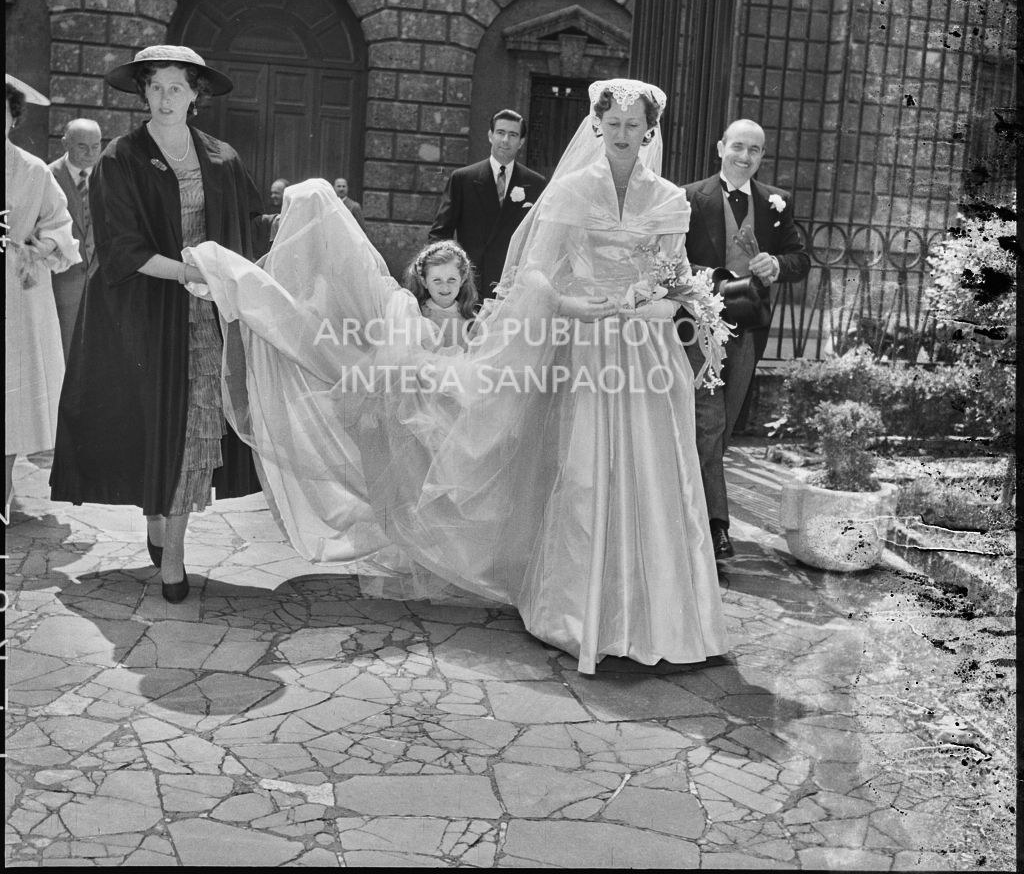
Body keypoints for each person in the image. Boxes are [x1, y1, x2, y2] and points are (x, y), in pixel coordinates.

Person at [184, 79, 731, 675]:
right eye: (614, 123)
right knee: (586, 470)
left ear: (649, 130)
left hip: (645, 353)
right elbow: (536, 273)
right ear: (599, 126)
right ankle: (578, 612)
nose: (623, 134)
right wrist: (572, 304)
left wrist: (663, 305)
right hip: (585, 345)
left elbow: (677, 274)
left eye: (634, 125)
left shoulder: (669, 198)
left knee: (654, 471)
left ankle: (667, 616)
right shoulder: (573, 190)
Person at [50, 45, 263, 603]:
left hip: (204, 315)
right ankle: (155, 514)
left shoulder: (221, 158)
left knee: (196, 422)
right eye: (156, 87)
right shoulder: (120, 158)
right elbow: (120, 247)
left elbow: (248, 225)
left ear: (196, 94)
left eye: (177, 87)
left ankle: (174, 557)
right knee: (152, 424)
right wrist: (188, 270)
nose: (166, 98)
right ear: (143, 93)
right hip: (140, 309)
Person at [679, 119, 811, 560]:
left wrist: (776, 265)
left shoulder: (776, 202)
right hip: (698, 329)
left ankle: (690, 512)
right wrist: (710, 278)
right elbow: (670, 260)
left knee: (724, 426)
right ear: (721, 148)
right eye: (738, 146)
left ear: (762, 156)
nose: (745, 156)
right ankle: (717, 526)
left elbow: (800, 259)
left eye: (754, 150)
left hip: (748, 329)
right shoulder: (688, 197)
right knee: (709, 423)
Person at [5, 76, 82, 511]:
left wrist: (42, 246)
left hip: (17, 287)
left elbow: (60, 225)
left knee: (11, 396)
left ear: (13, 118)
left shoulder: (32, 170)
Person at [429, 109, 546, 298]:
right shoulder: (463, 179)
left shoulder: (536, 183)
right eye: (500, 132)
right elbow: (440, 234)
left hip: (513, 286)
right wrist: (446, 276)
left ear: (521, 142)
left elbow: (541, 237)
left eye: (513, 135)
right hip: (470, 284)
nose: (505, 140)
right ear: (490, 136)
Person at [48, 118, 102, 359]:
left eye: (96, 146)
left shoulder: (109, 176)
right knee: (63, 351)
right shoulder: (47, 176)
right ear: (65, 144)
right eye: (82, 146)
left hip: (100, 283)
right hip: (62, 283)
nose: (90, 153)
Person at [401, 240, 479, 350]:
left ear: (462, 280)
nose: (445, 287)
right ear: (424, 281)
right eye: (437, 280)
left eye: (451, 279)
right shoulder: (416, 316)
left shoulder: (471, 319)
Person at [253, 177, 287, 257]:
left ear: (286, 194)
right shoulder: (268, 210)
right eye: (272, 193)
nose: (272, 196)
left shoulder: (289, 213)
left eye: (276, 193)